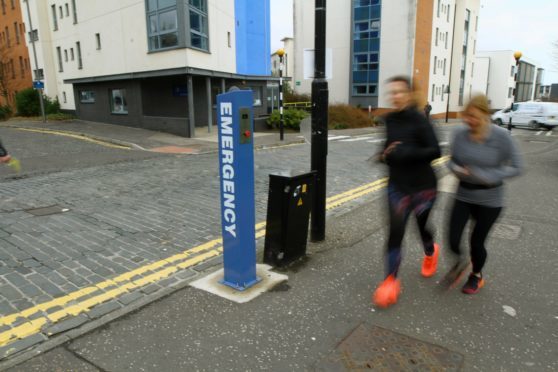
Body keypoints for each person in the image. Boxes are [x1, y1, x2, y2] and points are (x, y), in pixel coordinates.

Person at [373, 76, 441, 308]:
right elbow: (387, 150)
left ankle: (431, 251)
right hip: (397, 187)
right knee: (395, 233)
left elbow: (435, 151)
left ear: (410, 94)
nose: (395, 96)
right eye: (392, 92)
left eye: (400, 92)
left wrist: (405, 153)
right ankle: (390, 280)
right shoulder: (390, 120)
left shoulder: (420, 120)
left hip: (423, 188)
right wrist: (384, 155)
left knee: (422, 229)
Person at [443, 95, 522, 294]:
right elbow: (451, 160)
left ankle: (476, 275)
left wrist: (487, 175)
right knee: (452, 239)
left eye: (474, 116)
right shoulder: (460, 133)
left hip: (490, 199)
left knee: (476, 242)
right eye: (466, 116)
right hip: (463, 194)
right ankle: (460, 262)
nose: (469, 120)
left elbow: (518, 167)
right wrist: (457, 170)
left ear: (486, 115)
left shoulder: (501, 137)